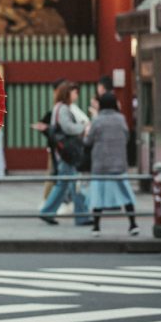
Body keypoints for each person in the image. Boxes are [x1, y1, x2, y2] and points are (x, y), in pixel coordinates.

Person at [84, 93, 138, 237]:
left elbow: (88, 141)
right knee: (126, 195)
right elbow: (127, 136)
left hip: (100, 164)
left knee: (98, 196)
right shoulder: (121, 119)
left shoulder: (97, 121)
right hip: (119, 163)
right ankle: (133, 224)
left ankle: (96, 227)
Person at [39, 81, 91, 225]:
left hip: (64, 151)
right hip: (68, 152)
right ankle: (82, 216)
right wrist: (83, 127)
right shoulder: (63, 109)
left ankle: (47, 211)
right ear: (67, 93)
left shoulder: (58, 107)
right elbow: (68, 128)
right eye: (75, 92)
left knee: (63, 183)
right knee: (75, 183)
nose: (76, 95)